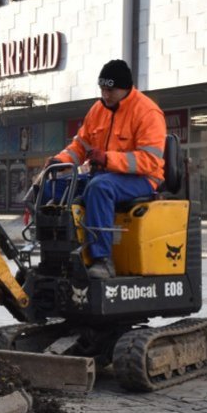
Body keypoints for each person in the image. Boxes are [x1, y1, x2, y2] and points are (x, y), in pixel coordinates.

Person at [47, 59, 166, 279]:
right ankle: (56, 256)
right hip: (104, 175)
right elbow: (79, 146)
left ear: (126, 88)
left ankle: (102, 259)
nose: (105, 95)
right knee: (53, 187)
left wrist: (108, 159)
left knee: (99, 187)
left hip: (142, 179)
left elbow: (150, 160)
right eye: (102, 89)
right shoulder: (97, 110)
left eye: (110, 90)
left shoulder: (148, 112)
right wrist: (59, 161)